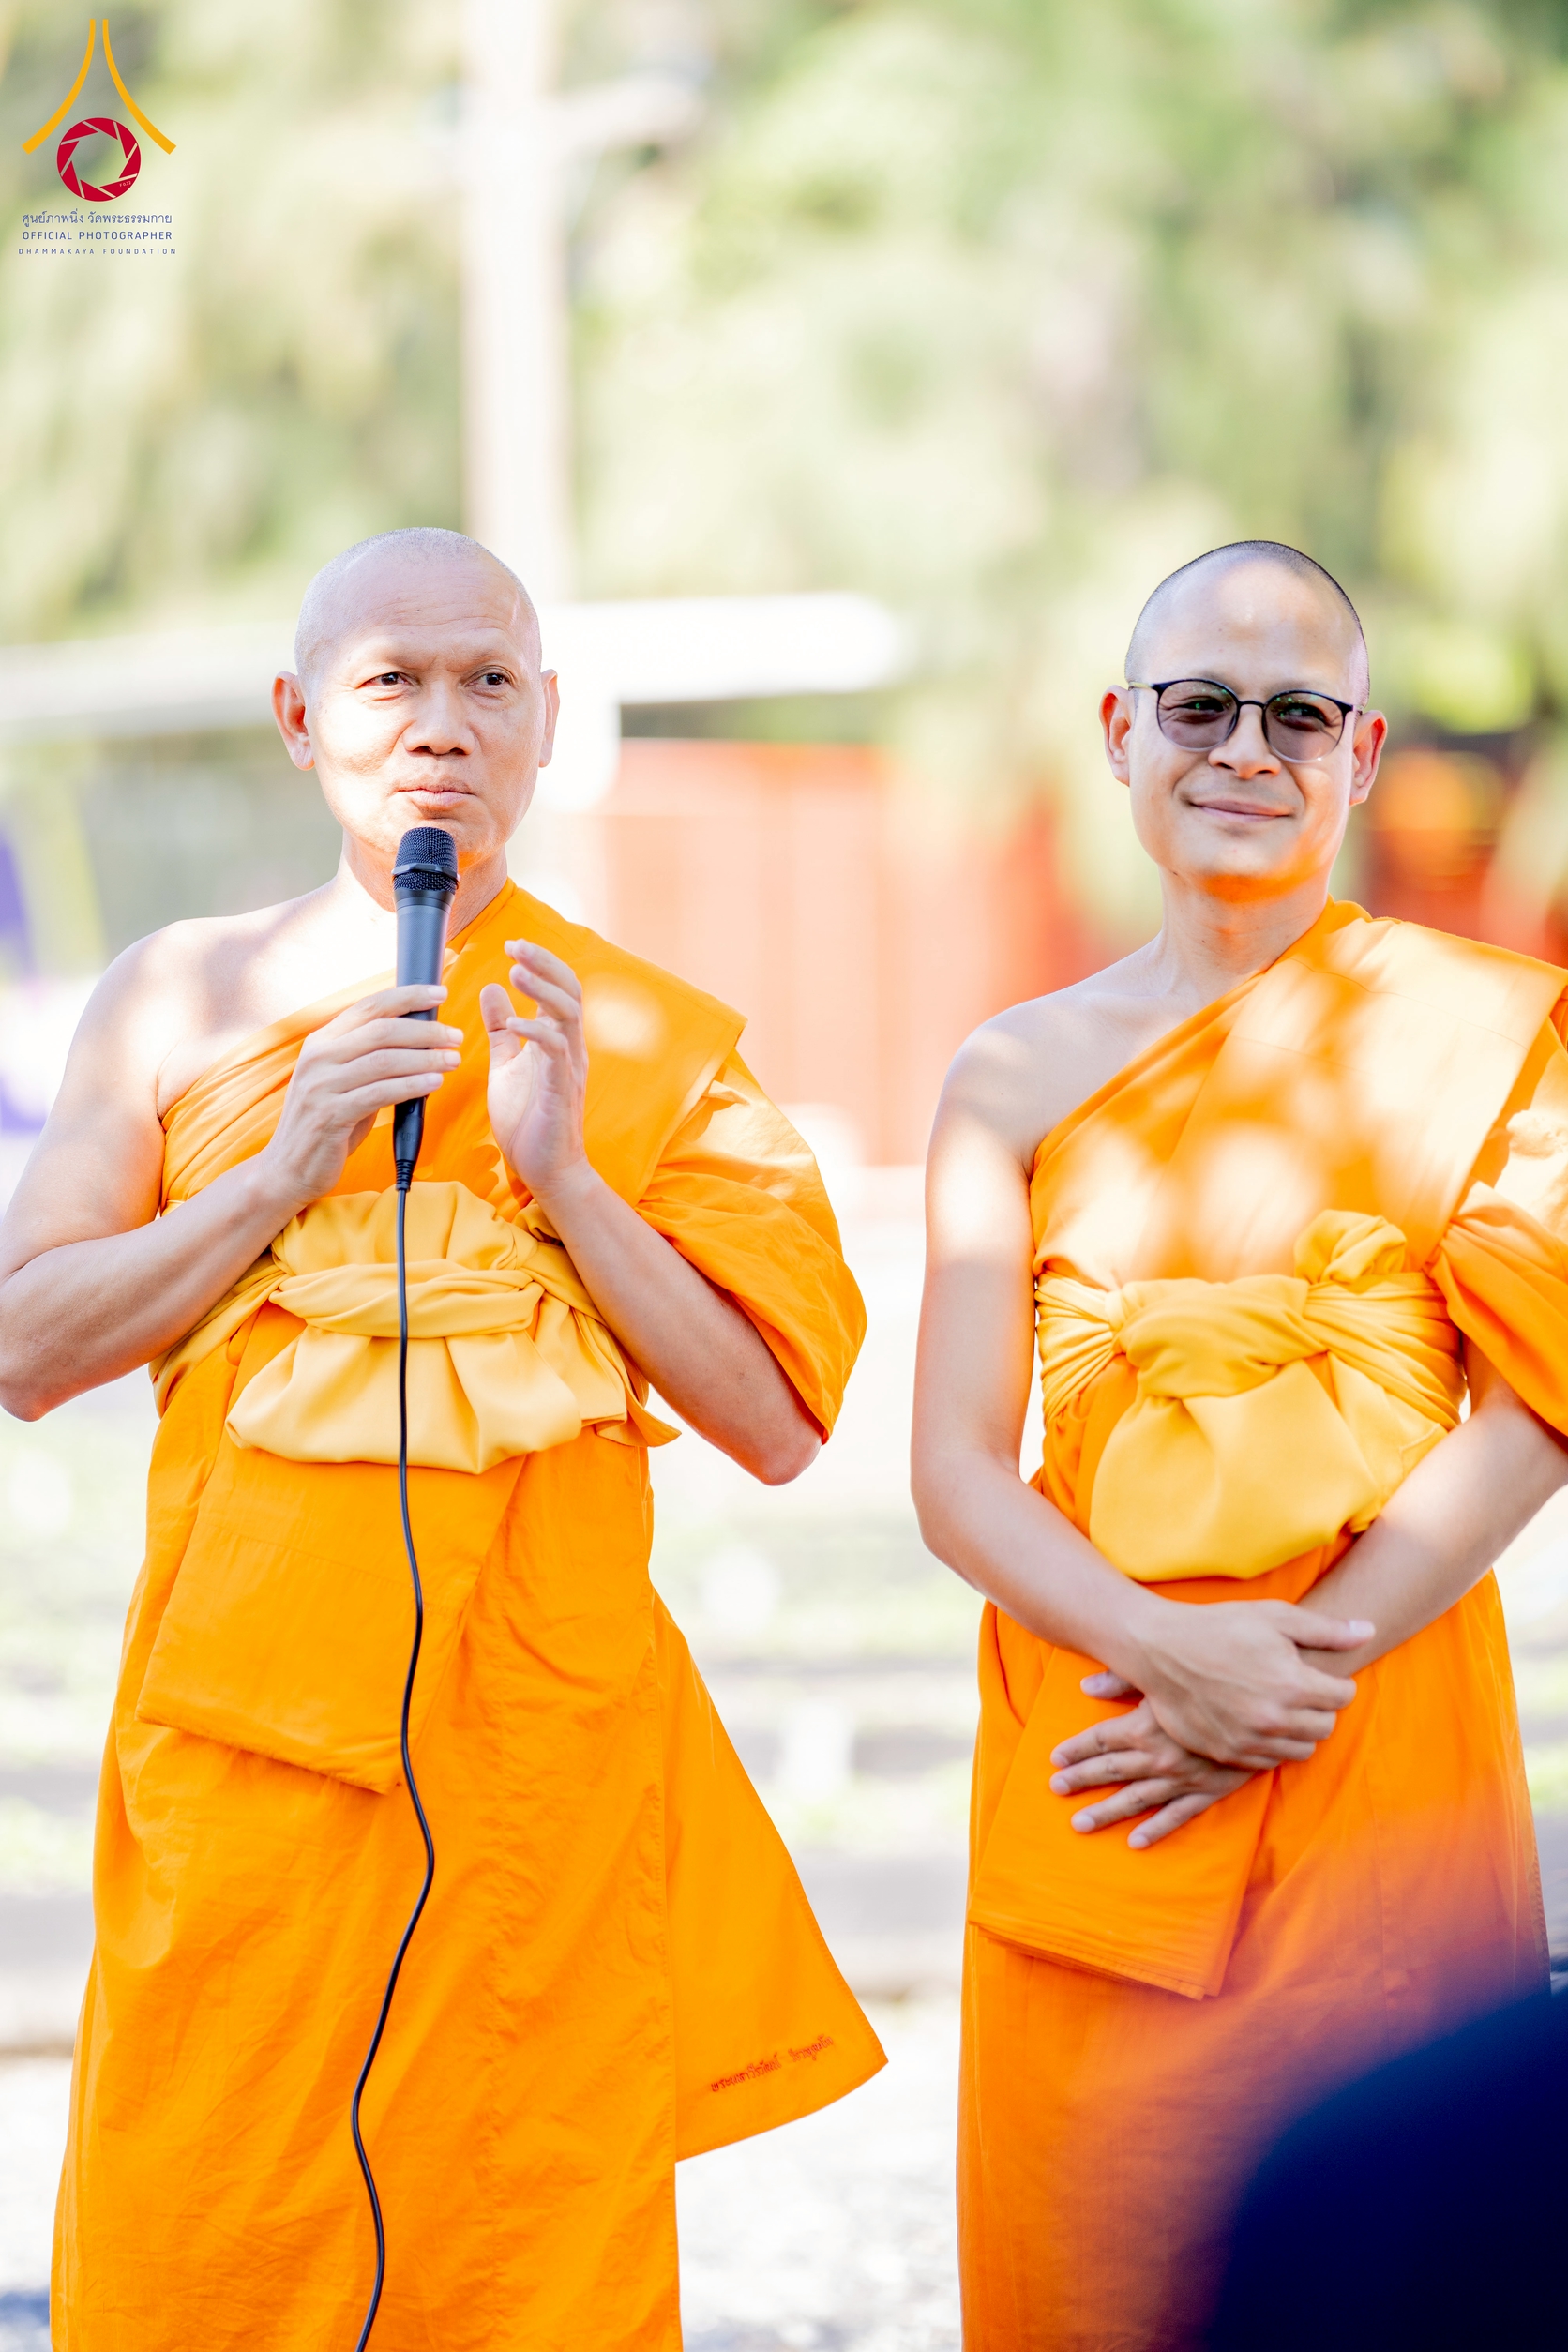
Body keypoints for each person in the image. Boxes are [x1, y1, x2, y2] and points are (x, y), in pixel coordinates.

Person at [0, 527, 883, 2350]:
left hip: (533, 1772)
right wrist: (278, 1170)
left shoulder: (637, 1033)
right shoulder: (179, 1000)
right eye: (392, 680)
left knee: (522, 2251)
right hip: (241, 1749)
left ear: (548, 722)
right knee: (201, 2241)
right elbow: (26, 1344)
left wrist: (564, 1174)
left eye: (489, 683)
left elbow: (778, 1419)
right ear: (299, 717)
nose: (442, 724)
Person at [912, 538, 1568, 2352]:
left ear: (1360, 757)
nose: (1243, 749)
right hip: (1106, 1742)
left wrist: (1284, 1675)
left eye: (1299, 713)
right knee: (1102, 2258)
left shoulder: (1479, 1033)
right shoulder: (1015, 1071)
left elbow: (1541, 1409)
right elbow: (958, 1473)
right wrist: (1173, 1660)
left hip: (1381, 1735)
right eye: (1198, 705)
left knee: (1401, 2254)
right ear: (1123, 733)